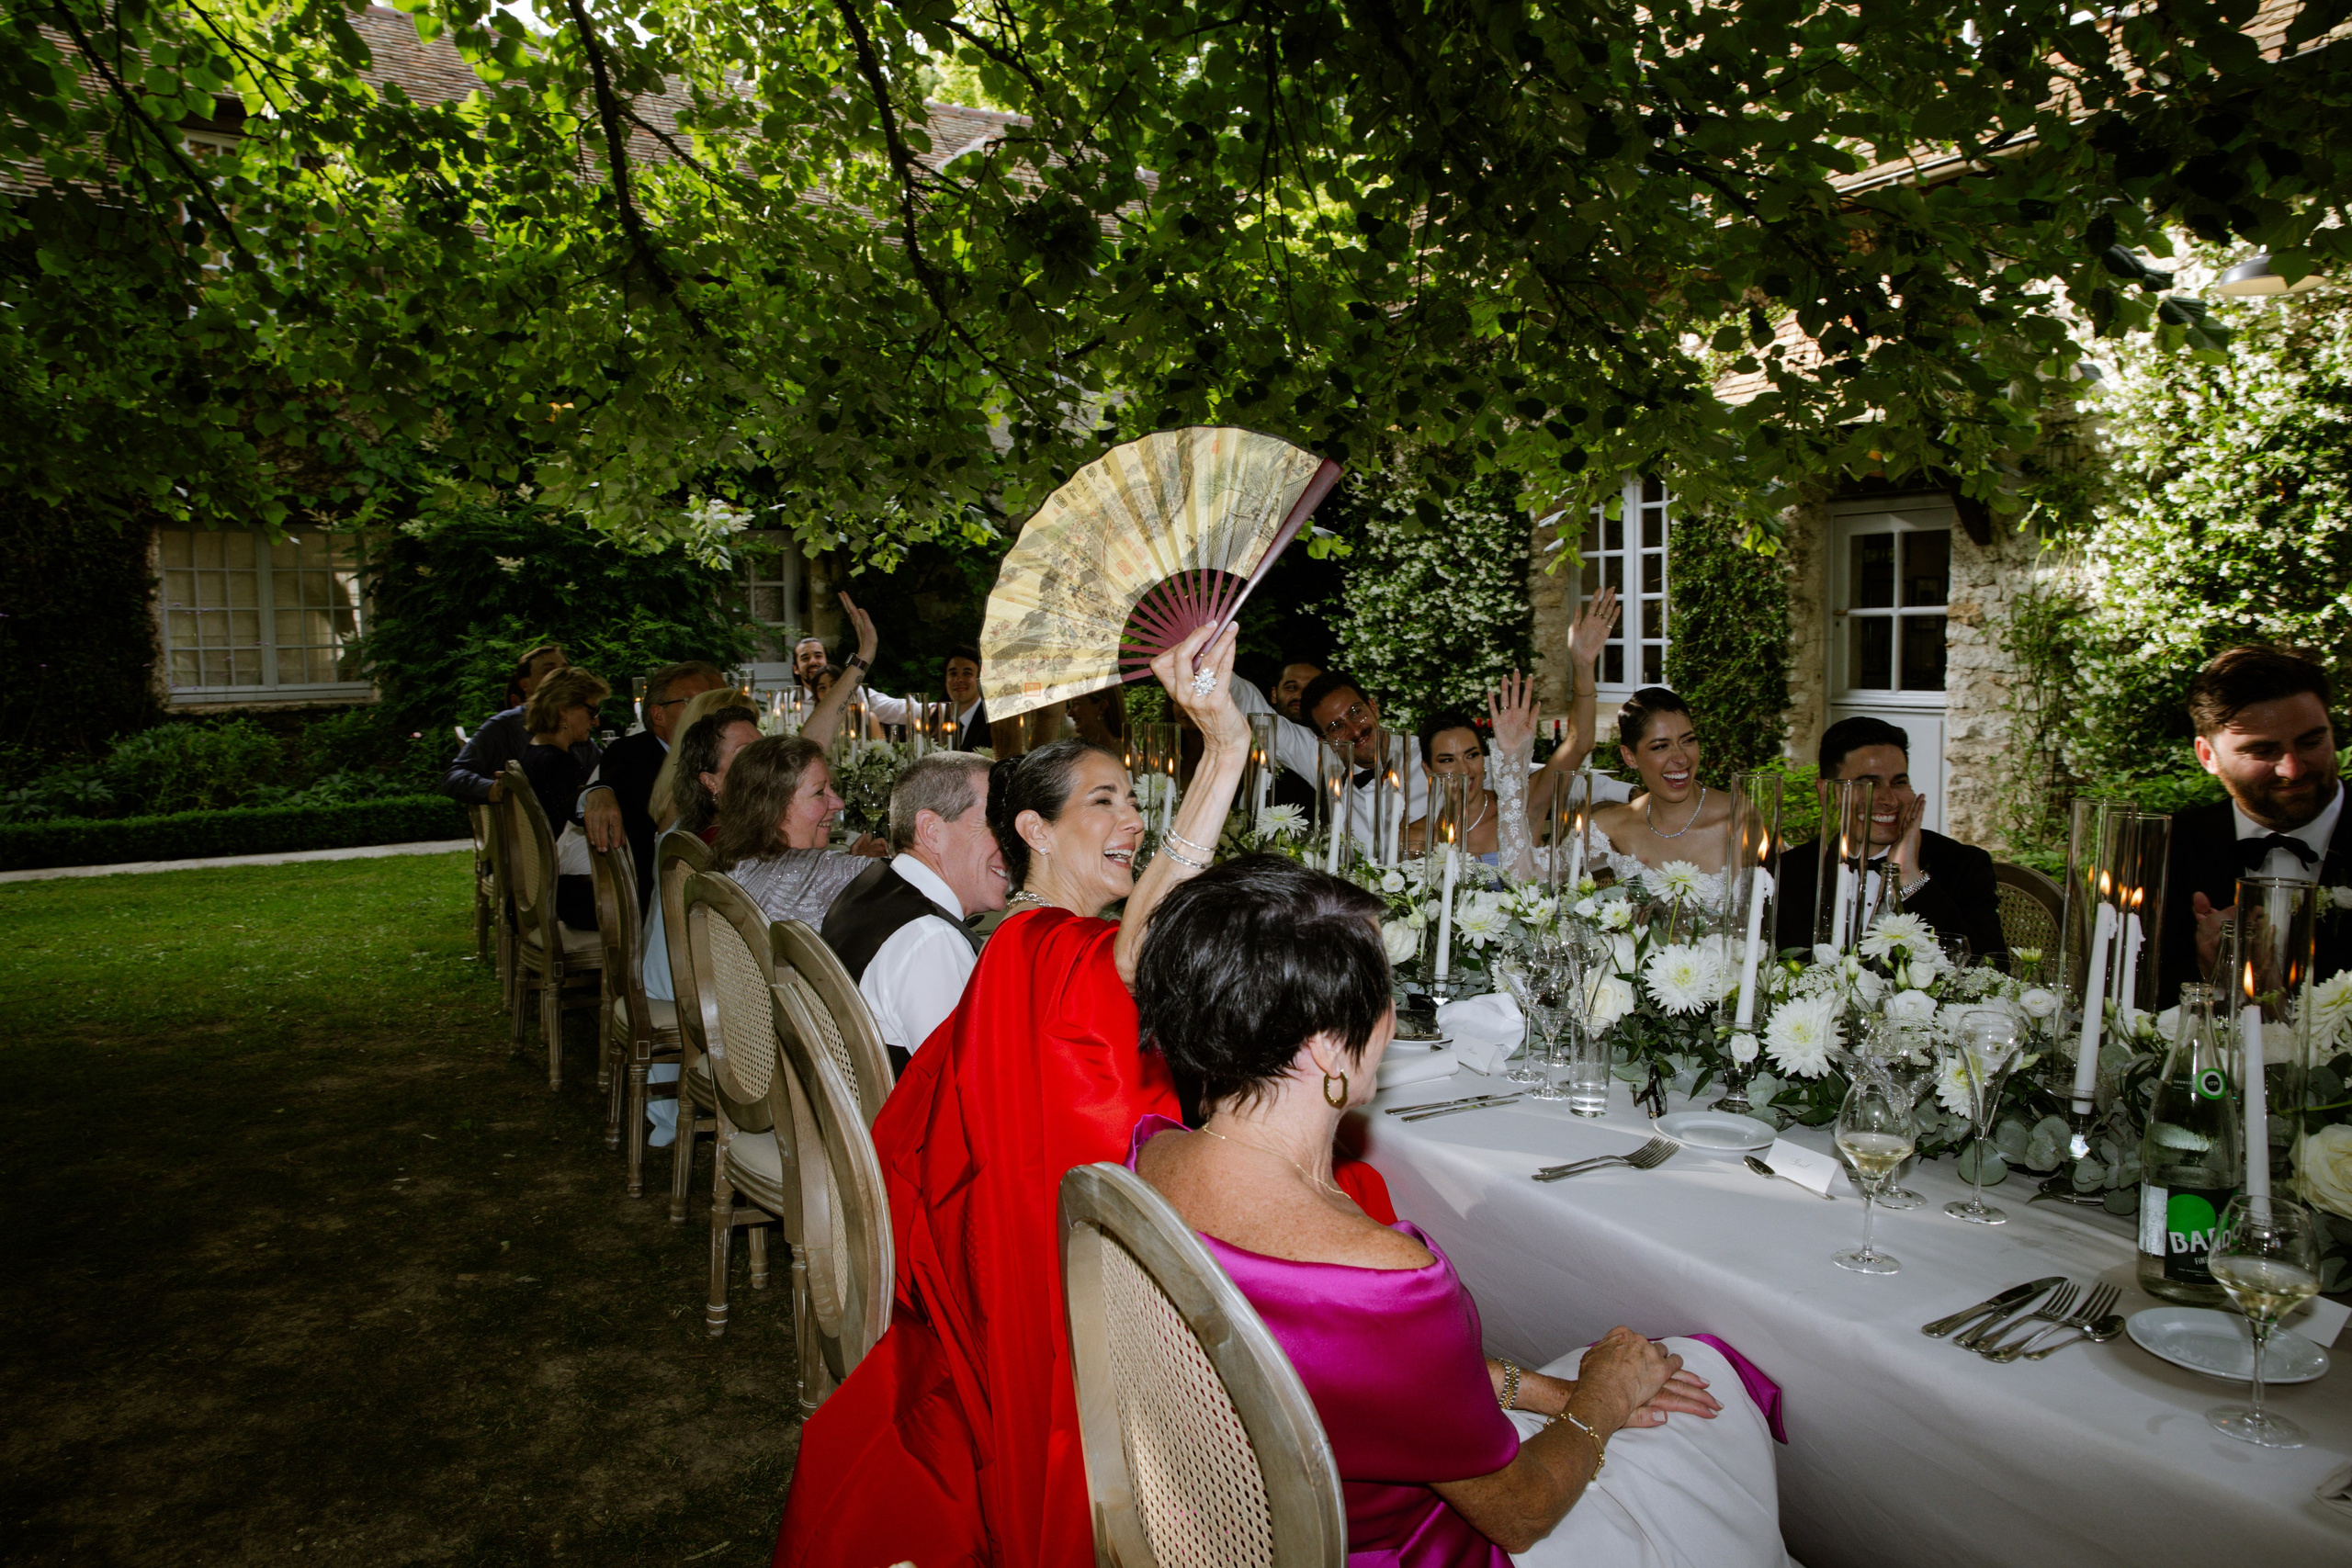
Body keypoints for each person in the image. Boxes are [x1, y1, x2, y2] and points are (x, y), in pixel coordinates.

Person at [773, 625, 1395, 1568]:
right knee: (1341, 1192)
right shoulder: (1052, 951)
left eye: (1134, 800)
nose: (1134, 821)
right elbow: (1139, 950)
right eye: (1104, 802)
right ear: (1033, 829)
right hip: (1087, 1292)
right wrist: (1224, 747)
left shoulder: (1019, 945)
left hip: (1052, 1253)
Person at [1130, 855, 1792, 1568]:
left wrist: (1549, 1389)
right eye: (1383, 993)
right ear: (1324, 1045)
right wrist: (1600, 1398)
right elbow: (1522, 1511)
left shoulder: (1154, 1159)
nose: (1391, 1020)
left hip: (1233, 1524)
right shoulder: (1383, 1276)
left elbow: (1359, 1363)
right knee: (1707, 1402)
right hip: (1413, 1550)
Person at [2161, 645, 2352, 1005]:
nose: (2292, 769)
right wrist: (2210, 978)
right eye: (2262, 752)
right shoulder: (2166, 849)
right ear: (2208, 756)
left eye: (2312, 741)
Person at [820, 752, 1005, 1075]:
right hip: (901, 1123)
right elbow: (972, 1089)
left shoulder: (872, 885)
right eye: (994, 823)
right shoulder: (929, 940)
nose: (1014, 843)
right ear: (931, 830)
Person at [1773, 717, 2006, 964]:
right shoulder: (1785, 872)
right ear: (1826, 792)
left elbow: (1992, 971)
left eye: (1899, 782)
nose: (1890, 800)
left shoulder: (1962, 865)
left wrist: (1909, 878)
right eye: (1868, 784)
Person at [578, 660, 724, 910]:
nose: (705, 711)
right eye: (692, 701)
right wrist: (598, 792)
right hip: (659, 895)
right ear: (658, 714)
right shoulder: (632, 752)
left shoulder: (714, 754)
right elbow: (607, 784)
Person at [706, 736, 887, 928]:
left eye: (831, 788)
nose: (839, 803)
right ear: (773, 807)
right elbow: (912, 877)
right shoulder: (816, 874)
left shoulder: (737, 864)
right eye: (819, 792)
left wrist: (849, 863)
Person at [1585, 687, 1734, 898]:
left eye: (1688, 740)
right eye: (1660, 747)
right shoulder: (1609, 828)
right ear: (1630, 757)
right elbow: (1536, 882)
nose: (1681, 758)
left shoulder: (1737, 820)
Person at [514, 667, 610, 931]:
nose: (596, 721)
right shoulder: (560, 766)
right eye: (592, 711)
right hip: (572, 896)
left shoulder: (533, 754)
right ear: (564, 710)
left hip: (548, 889)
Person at [443, 643, 593, 804]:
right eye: (549, 671)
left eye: (565, 669)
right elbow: (453, 777)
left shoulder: (575, 724)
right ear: (525, 684)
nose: (562, 676)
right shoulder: (506, 725)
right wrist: (498, 789)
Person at [1272, 657, 1323, 722]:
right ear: (1274, 694)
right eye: (1292, 687)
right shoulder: (1260, 730)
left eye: (1310, 689)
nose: (1300, 696)